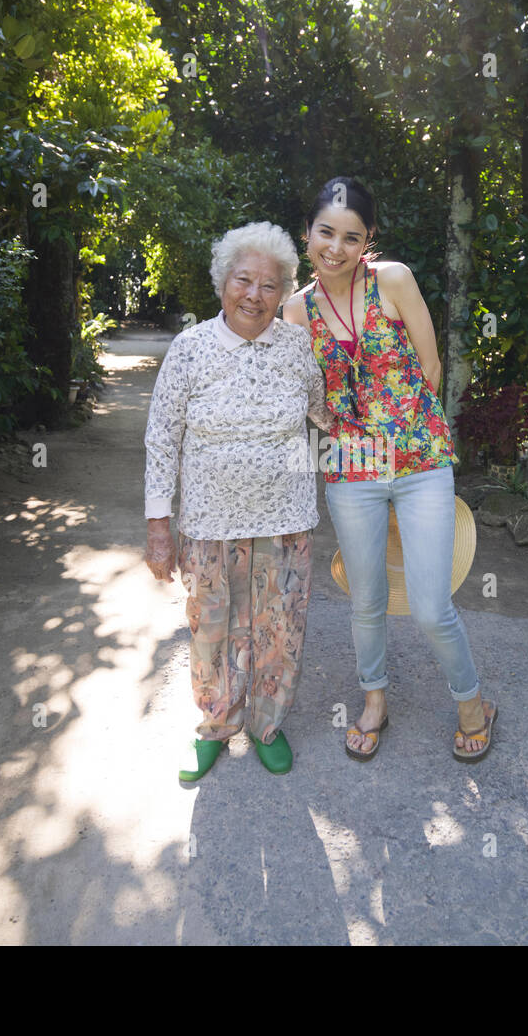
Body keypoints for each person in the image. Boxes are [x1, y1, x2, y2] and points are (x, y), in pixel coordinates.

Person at [283, 176, 497, 763]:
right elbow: (306, 392)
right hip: (350, 471)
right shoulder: (295, 310)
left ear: (367, 240)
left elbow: (430, 366)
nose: (336, 247)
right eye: (325, 232)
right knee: (367, 600)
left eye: (351, 237)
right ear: (307, 236)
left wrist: (400, 439)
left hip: (420, 461)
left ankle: (472, 702)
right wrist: (334, 427)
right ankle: (375, 700)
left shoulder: (393, 280)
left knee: (432, 606)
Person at [144, 221, 332, 781]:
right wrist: (160, 526)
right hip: (208, 520)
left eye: (269, 285)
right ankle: (216, 725)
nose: (254, 295)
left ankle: (267, 724)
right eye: (242, 281)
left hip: (287, 518)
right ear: (222, 282)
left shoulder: (298, 346)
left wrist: (377, 456)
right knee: (211, 627)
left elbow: (322, 415)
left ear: (283, 292)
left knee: (280, 627)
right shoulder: (190, 348)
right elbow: (162, 437)